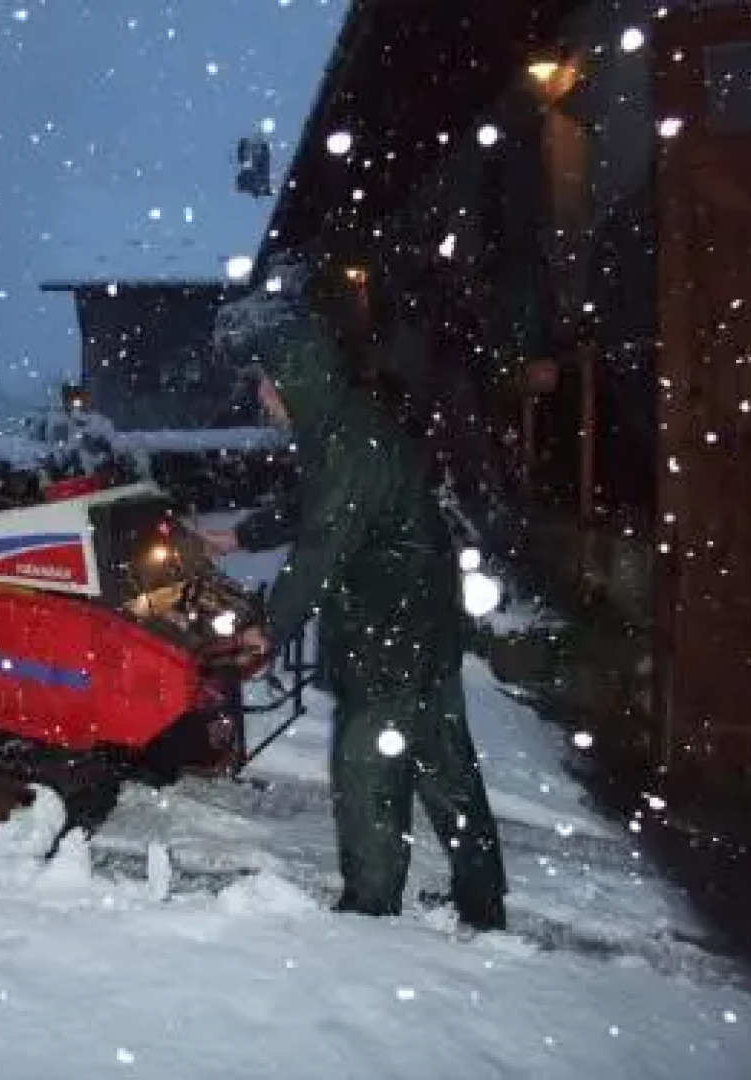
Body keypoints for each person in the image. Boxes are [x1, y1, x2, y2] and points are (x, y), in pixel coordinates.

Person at [230, 293, 508, 933]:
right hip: (420, 621)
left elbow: (323, 543)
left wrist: (271, 626)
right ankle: (481, 900)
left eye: (268, 386)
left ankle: (369, 913)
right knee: (443, 763)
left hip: (390, 629)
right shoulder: (346, 427)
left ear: (296, 380)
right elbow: (318, 508)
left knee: (368, 766)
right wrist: (241, 536)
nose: (263, 399)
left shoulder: (347, 442)